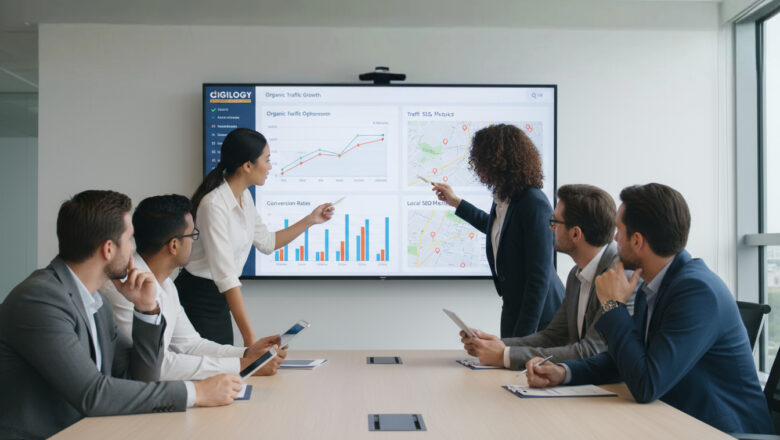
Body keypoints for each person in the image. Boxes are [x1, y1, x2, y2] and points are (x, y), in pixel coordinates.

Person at [525, 183, 773, 434]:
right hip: (674, 421)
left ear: (637, 241)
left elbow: (646, 384)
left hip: (720, 431)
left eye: (619, 231)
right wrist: (563, 372)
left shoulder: (697, 292)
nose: (614, 238)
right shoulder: (654, 283)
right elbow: (624, 360)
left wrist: (612, 305)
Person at [0, 190, 243, 440]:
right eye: (129, 239)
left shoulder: (95, 301)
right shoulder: (40, 300)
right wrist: (197, 393)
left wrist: (146, 309)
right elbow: (93, 394)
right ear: (108, 249)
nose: (133, 249)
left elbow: (140, 376)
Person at [102, 195, 287, 381]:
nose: (195, 242)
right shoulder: (125, 289)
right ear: (174, 245)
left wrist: (246, 353)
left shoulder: (166, 284)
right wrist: (242, 365)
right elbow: (153, 365)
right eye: (192, 235)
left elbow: (191, 344)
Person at [177, 128, 334, 346]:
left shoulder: (244, 197)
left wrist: (310, 219)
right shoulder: (214, 205)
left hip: (219, 298)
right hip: (198, 298)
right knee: (217, 371)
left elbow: (268, 243)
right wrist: (251, 341)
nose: (270, 167)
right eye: (267, 160)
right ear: (247, 166)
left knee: (226, 370)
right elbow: (227, 277)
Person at [460, 184, 620, 368]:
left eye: (555, 222)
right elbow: (552, 337)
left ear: (576, 233)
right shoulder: (576, 276)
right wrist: (496, 345)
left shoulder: (616, 277)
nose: (550, 228)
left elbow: (590, 351)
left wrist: (505, 355)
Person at [433, 124, 564, 338]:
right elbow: (496, 229)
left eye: (479, 158)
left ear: (498, 161)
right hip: (513, 305)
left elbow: (539, 277)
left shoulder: (533, 202)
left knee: (516, 367)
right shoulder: (504, 198)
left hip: (540, 315)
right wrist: (456, 202)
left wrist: (522, 341)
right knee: (503, 366)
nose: (474, 165)